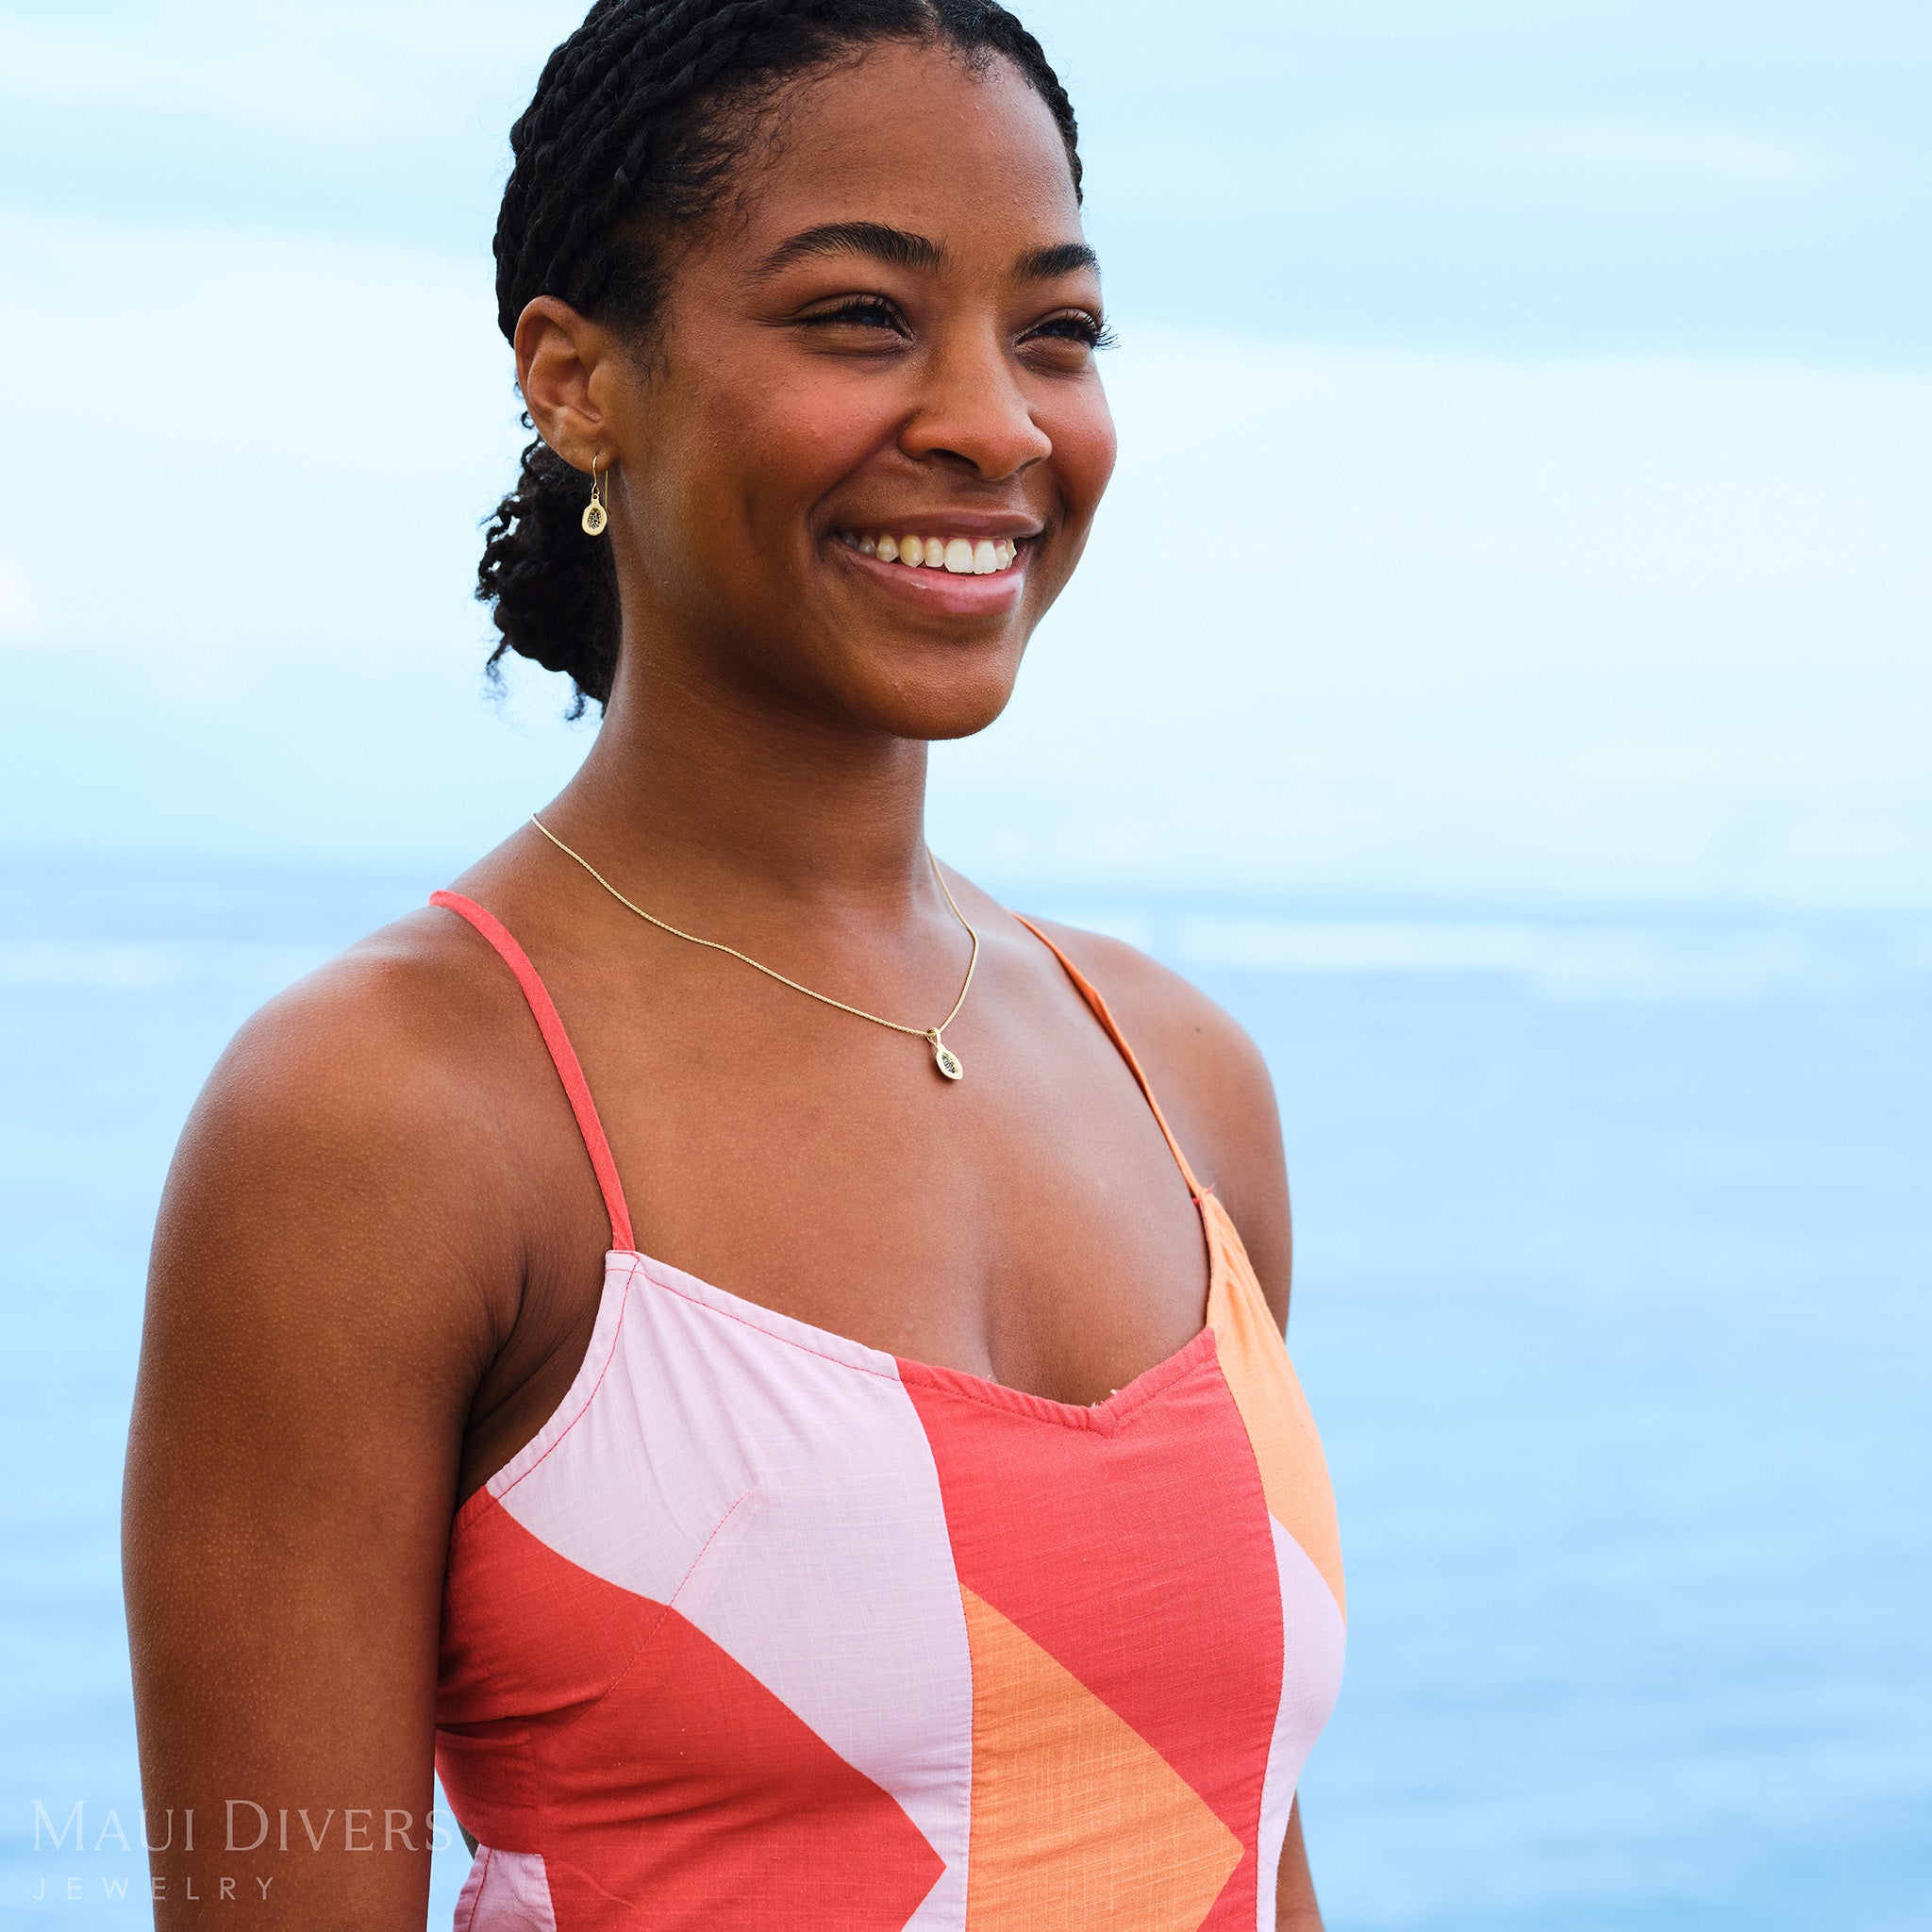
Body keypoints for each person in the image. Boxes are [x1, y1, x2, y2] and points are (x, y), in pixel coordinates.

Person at [123, 3, 1345, 1926]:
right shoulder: (390, 1117)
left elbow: (1249, 1848)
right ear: (577, 377)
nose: (994, 420)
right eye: (863, 315)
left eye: (1058, 330)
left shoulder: (1176, 1077)